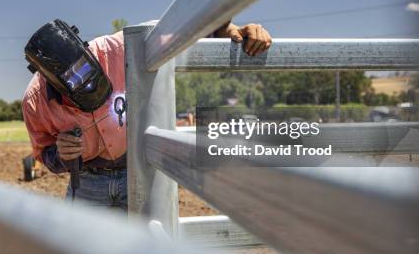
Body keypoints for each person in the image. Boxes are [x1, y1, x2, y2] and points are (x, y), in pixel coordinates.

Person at [22, 19, 272, 209]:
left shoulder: (123, 49)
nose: (81, 80)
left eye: (84, 67)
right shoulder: (35, 102)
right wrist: (62, 154)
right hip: (88, 181)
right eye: (68, 80)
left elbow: (183, 26)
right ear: (45, 76)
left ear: (82, 46)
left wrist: (227, 30)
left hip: (139, 170)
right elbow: (44, 154)